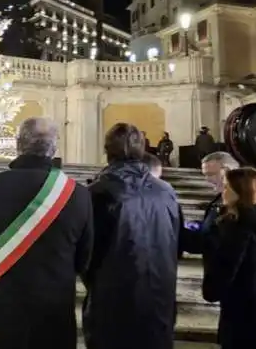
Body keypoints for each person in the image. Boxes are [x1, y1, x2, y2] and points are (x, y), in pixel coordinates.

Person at [0, 117, 93, 349]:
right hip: (54, 307)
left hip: (2, 305)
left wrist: (2, 276)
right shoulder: (79, 194)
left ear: (17, 144)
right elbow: (84, 257)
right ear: (54, 149)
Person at [82, 123, 181, 349]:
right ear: (143, 149)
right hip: (159, 296)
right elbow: (176, 241)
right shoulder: (165, 191)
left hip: (112, 300)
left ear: (107, 151)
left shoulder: (97, 192)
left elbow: (86, 252)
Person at [202, 167, 256, 349]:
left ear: (241, 192)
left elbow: (226, 267)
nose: (223, 191)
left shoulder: (239, 225)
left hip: (242, 312)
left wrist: (211, 289)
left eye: (227, 187)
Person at [181, 151, 240, 255]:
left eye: (211, 174)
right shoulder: (222, 196)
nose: (207, 179)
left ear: (228, 171)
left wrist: (177, 233)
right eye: (205, 175)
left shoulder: (240, 201)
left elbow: (213, 242)